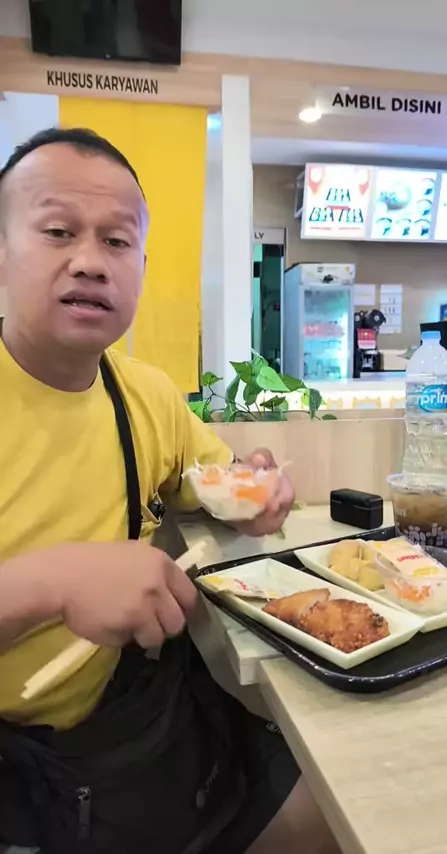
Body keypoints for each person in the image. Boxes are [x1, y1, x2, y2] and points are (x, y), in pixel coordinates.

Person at [0, 129, 340, 854]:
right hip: (17, 771)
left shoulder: (145, 395)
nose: (90, 261)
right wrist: (48, 584)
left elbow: (205, 482)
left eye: (117, 241)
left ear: (142, 266)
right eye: (58, 231)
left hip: (134, 726)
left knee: (337, 801)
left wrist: (253, 490)